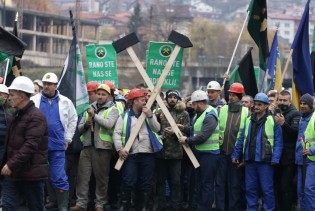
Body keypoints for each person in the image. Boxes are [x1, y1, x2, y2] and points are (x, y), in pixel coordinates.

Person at [31, 72, 77, 211]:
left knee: (59, 177)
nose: (46, 86)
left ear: (56, 86)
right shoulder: (34, 100)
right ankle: (37, 205)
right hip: (38, 146)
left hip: (57, 146)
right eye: (45, 83)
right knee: (37, 176)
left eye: (50, 84)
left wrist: (68, 138)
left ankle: (63, 207)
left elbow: (73, 119)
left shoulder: (66, 102)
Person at [1, 76, 48, 210]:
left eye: (12, 95)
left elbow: (30, 145)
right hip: (13, 174)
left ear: (21, 97)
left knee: (36, 207)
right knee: (7, 207)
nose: (9, 98)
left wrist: (10, 164)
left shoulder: (36, 117)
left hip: (31, 174)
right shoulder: (17, 115)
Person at [70, 84, 119, 211]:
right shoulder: (89, 108)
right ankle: (81, 203)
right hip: (87, 147)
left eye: (103, 94)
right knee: (82, 177)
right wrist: (86, 125)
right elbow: (79, 129)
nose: (100, 96)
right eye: (99, 94)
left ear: (108, 96)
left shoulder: (113, 109)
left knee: (101, 178)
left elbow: (109, 124)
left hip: (102, 149)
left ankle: (100, 204)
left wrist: (95, 116)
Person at [232, 93, 283, 211]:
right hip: (250, 161)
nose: (256, 106)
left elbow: (278, 141)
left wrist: (275, 158)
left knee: (267, 190)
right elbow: (241, 138)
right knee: (250, 189)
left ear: (266, 106)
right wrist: (236, 154)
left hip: (265, 162)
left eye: (260, 104)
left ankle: (268, 209)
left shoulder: (273, 120)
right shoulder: (249, 119)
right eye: (255, 104)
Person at [113, 88, 162, 210]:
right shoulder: (124, 117)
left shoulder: (149, 114)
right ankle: (126, 205)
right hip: (131, 154)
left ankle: (144, 207)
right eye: (142, 100)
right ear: (135, 101)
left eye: (145, 100)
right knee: (128, 181)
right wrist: (120, 149)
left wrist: (151, 116)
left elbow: (157, 128)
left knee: (146, 183)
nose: (145, 102)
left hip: (148, 153)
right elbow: (117, 134)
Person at [178, 90, 220, 211]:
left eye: (194, 104)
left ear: (200, 103)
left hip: (209, 155)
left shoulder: (210, 115)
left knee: (206, 185)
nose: (192, 106)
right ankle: (199, 207)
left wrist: (186, 140)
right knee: (200, 183)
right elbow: (195, 130)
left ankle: (205, 208)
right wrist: (184, 128)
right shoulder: (199, 115)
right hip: (200, 154)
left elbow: (202, 136)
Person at [155, 90, 190, 211]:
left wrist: (176, 132)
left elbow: (188, 131)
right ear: (166, 99)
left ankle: (176, 205)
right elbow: (155, 129)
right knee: (160, 182)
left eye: (175, 97)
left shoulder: (183, 113)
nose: (172, 99)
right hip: (161, 153)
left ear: (178, 99)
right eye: (170, 97)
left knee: (176, 182)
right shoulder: (159, 112)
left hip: (176, 154)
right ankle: (161, 205)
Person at [215, 83, 248, 211]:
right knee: (220, 184)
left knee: (234, 185)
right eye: (230, 94)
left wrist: (241, 155)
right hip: (222, 153)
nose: (231, 97)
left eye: (234, 95)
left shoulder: (246, 112)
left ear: (240, 96)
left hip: (236, 155)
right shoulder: (222, 109)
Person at [274, 90, 300, 211]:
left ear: (290, 101)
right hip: (276, 158)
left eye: (285, 100)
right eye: (280, 100)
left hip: (288, 159)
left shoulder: (295, 114)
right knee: (277, 187)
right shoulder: (275, 112)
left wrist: (283, 124)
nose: (282, 102)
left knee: (285, 188)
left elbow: (295, 134)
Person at [295, 93, 315, 210]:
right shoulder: (302, 118)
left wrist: (311, 150)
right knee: (301, 192)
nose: (302, 106)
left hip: (311, 160)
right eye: (301, 103)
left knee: (308, 191)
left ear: (311, 105)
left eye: (305, 104)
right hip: (301, 160)